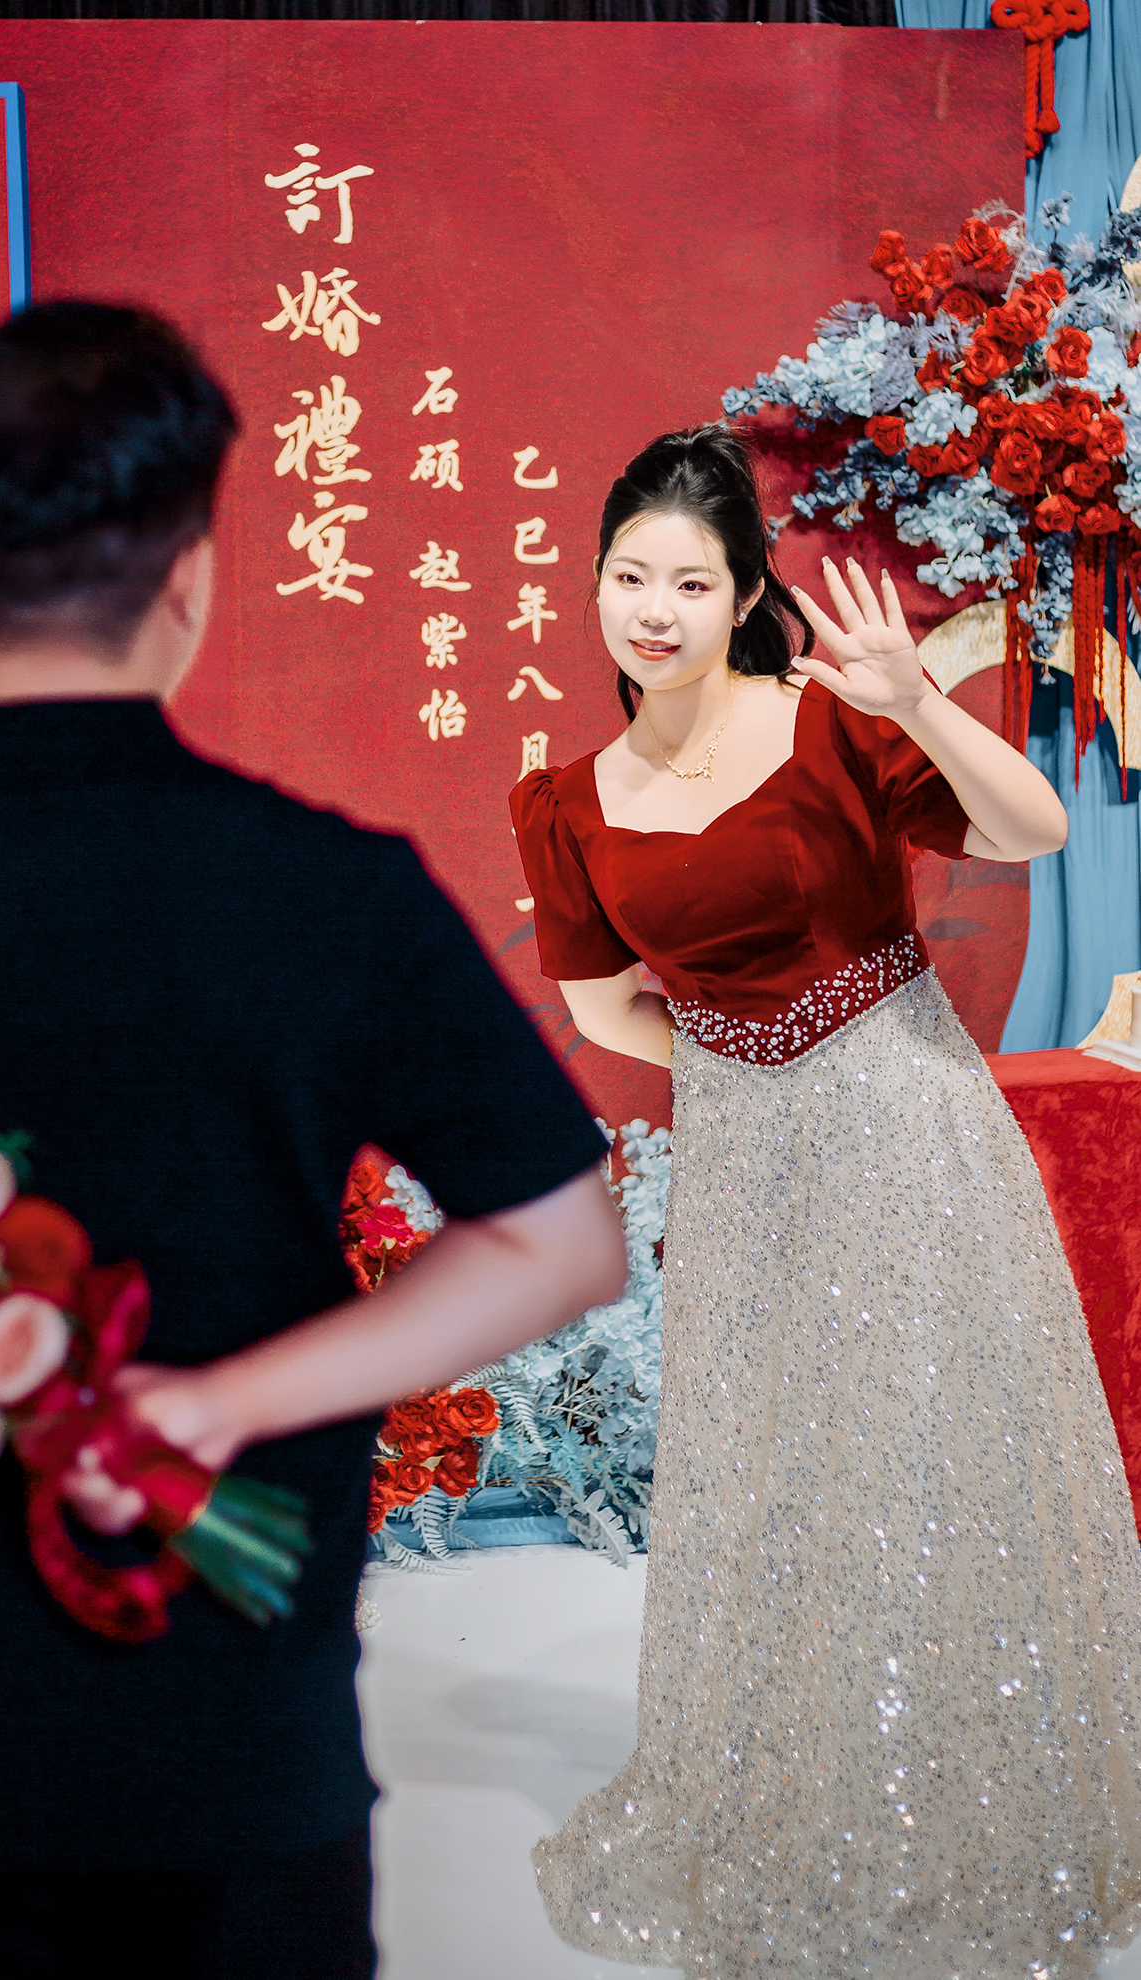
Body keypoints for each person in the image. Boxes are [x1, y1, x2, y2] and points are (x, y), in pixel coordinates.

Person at [0, 300, 627, 1980]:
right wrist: (218, 1404)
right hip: (227, 1745)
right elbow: (559, 1239)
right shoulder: (328, 893)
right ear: (194, 573)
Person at [511, 423, 1141, 1979]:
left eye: (690, 583)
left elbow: (1033, 832)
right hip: (748, 1169)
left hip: (909, 1128)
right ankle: (802, 1793)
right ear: (593, 586)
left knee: (938, 1451)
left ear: (744, 599)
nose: (653, 610)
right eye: (628, 577)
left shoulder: (827, 723)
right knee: (778, 1470)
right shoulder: (568, 799)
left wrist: (914, 699)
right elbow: (599, 1008)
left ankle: (989, 1801)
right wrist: (743, 1072)